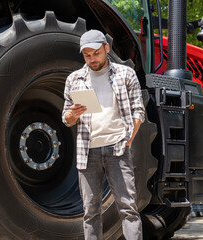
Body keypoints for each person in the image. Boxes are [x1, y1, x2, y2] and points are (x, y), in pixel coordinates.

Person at [62, 29, 145, 240]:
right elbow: (66, 118)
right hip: (87, 153)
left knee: (128, 208)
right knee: (90, 212)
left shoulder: (126, 74)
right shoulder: (74, 79)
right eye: (87, 55)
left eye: (96, 53)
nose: (92, 59)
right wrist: (73, 114)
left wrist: (129, 139)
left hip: (118, 149)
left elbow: (139, 110)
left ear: (106, 48)